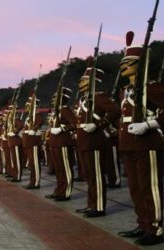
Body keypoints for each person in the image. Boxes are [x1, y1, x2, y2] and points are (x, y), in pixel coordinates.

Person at [117, 31, 164, 246]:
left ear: (139, 64)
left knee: (149, 187)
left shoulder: (152, 88)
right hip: (129, 145)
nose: (122, 66)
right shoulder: (126, 91)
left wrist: (149, 124)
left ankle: (156, 227)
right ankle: (143, 223)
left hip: (148, 144)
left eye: (128, 62)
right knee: (135, 188)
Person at [74, 58, 121, 218]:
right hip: (84, 142)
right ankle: (91, 204)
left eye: (83, 80)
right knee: (88, 175)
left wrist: (99, 124)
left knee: (96, 175)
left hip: (94, 141)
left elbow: (115, 110)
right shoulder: (83, 101)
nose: (80, 83)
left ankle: (99, 206)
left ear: (91, 82)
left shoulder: (99, 98)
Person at [46, 88, 76, 201]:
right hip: (55, 143)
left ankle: (66, 192)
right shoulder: (57, 111)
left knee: (65, 168)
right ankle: (59, 190)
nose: (53, 100)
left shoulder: (65, 110)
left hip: (63, 142)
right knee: (58, 169)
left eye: (55, 98)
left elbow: (75, 123)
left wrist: (62, 129)